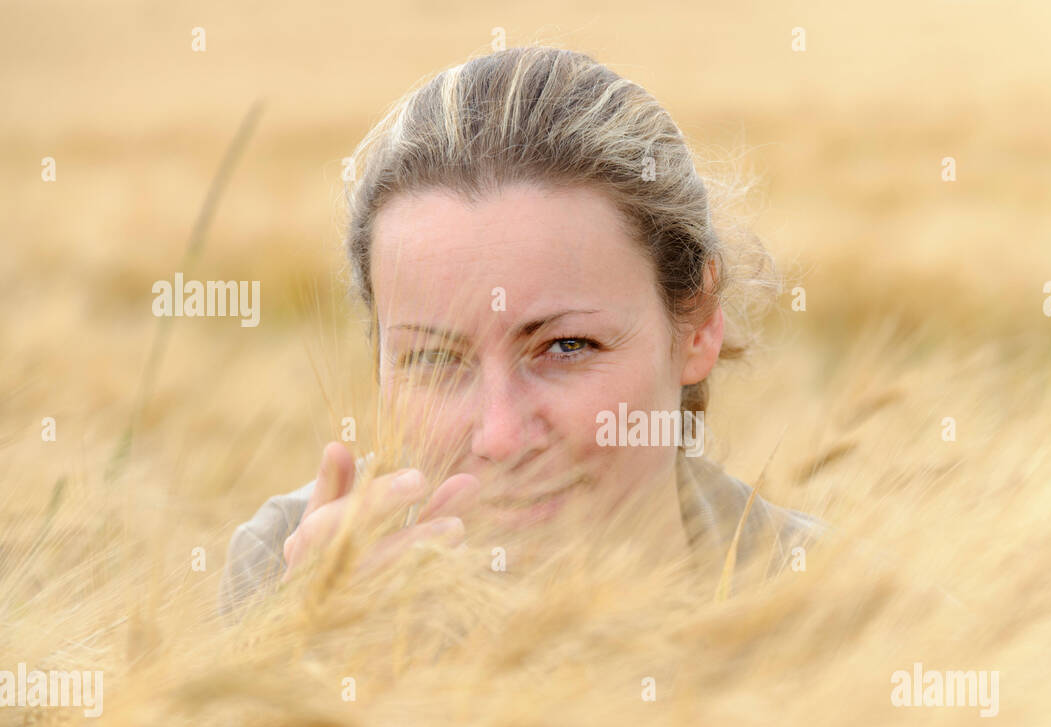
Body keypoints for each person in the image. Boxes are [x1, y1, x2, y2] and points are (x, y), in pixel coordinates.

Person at [218, 45, 828, 620]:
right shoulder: (285, 569)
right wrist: (333, 661)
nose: (501, 436)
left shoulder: (832, 600)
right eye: (433, 357)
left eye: (566, 347)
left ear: (696, 325)